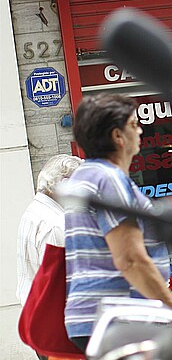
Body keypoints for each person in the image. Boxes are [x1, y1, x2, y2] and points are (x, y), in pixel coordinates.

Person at [64, 93, 172, 352]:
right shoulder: (109, 179)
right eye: (133, 125)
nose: (140, 130)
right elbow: (130, 259)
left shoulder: (86, 175)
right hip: (120, 315)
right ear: (118, 136)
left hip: (98, 316)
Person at [16, 154, 82, 360]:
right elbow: (61, 284)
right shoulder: (55, 224)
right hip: (59, 328)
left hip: (39, 321)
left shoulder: (33, 212)